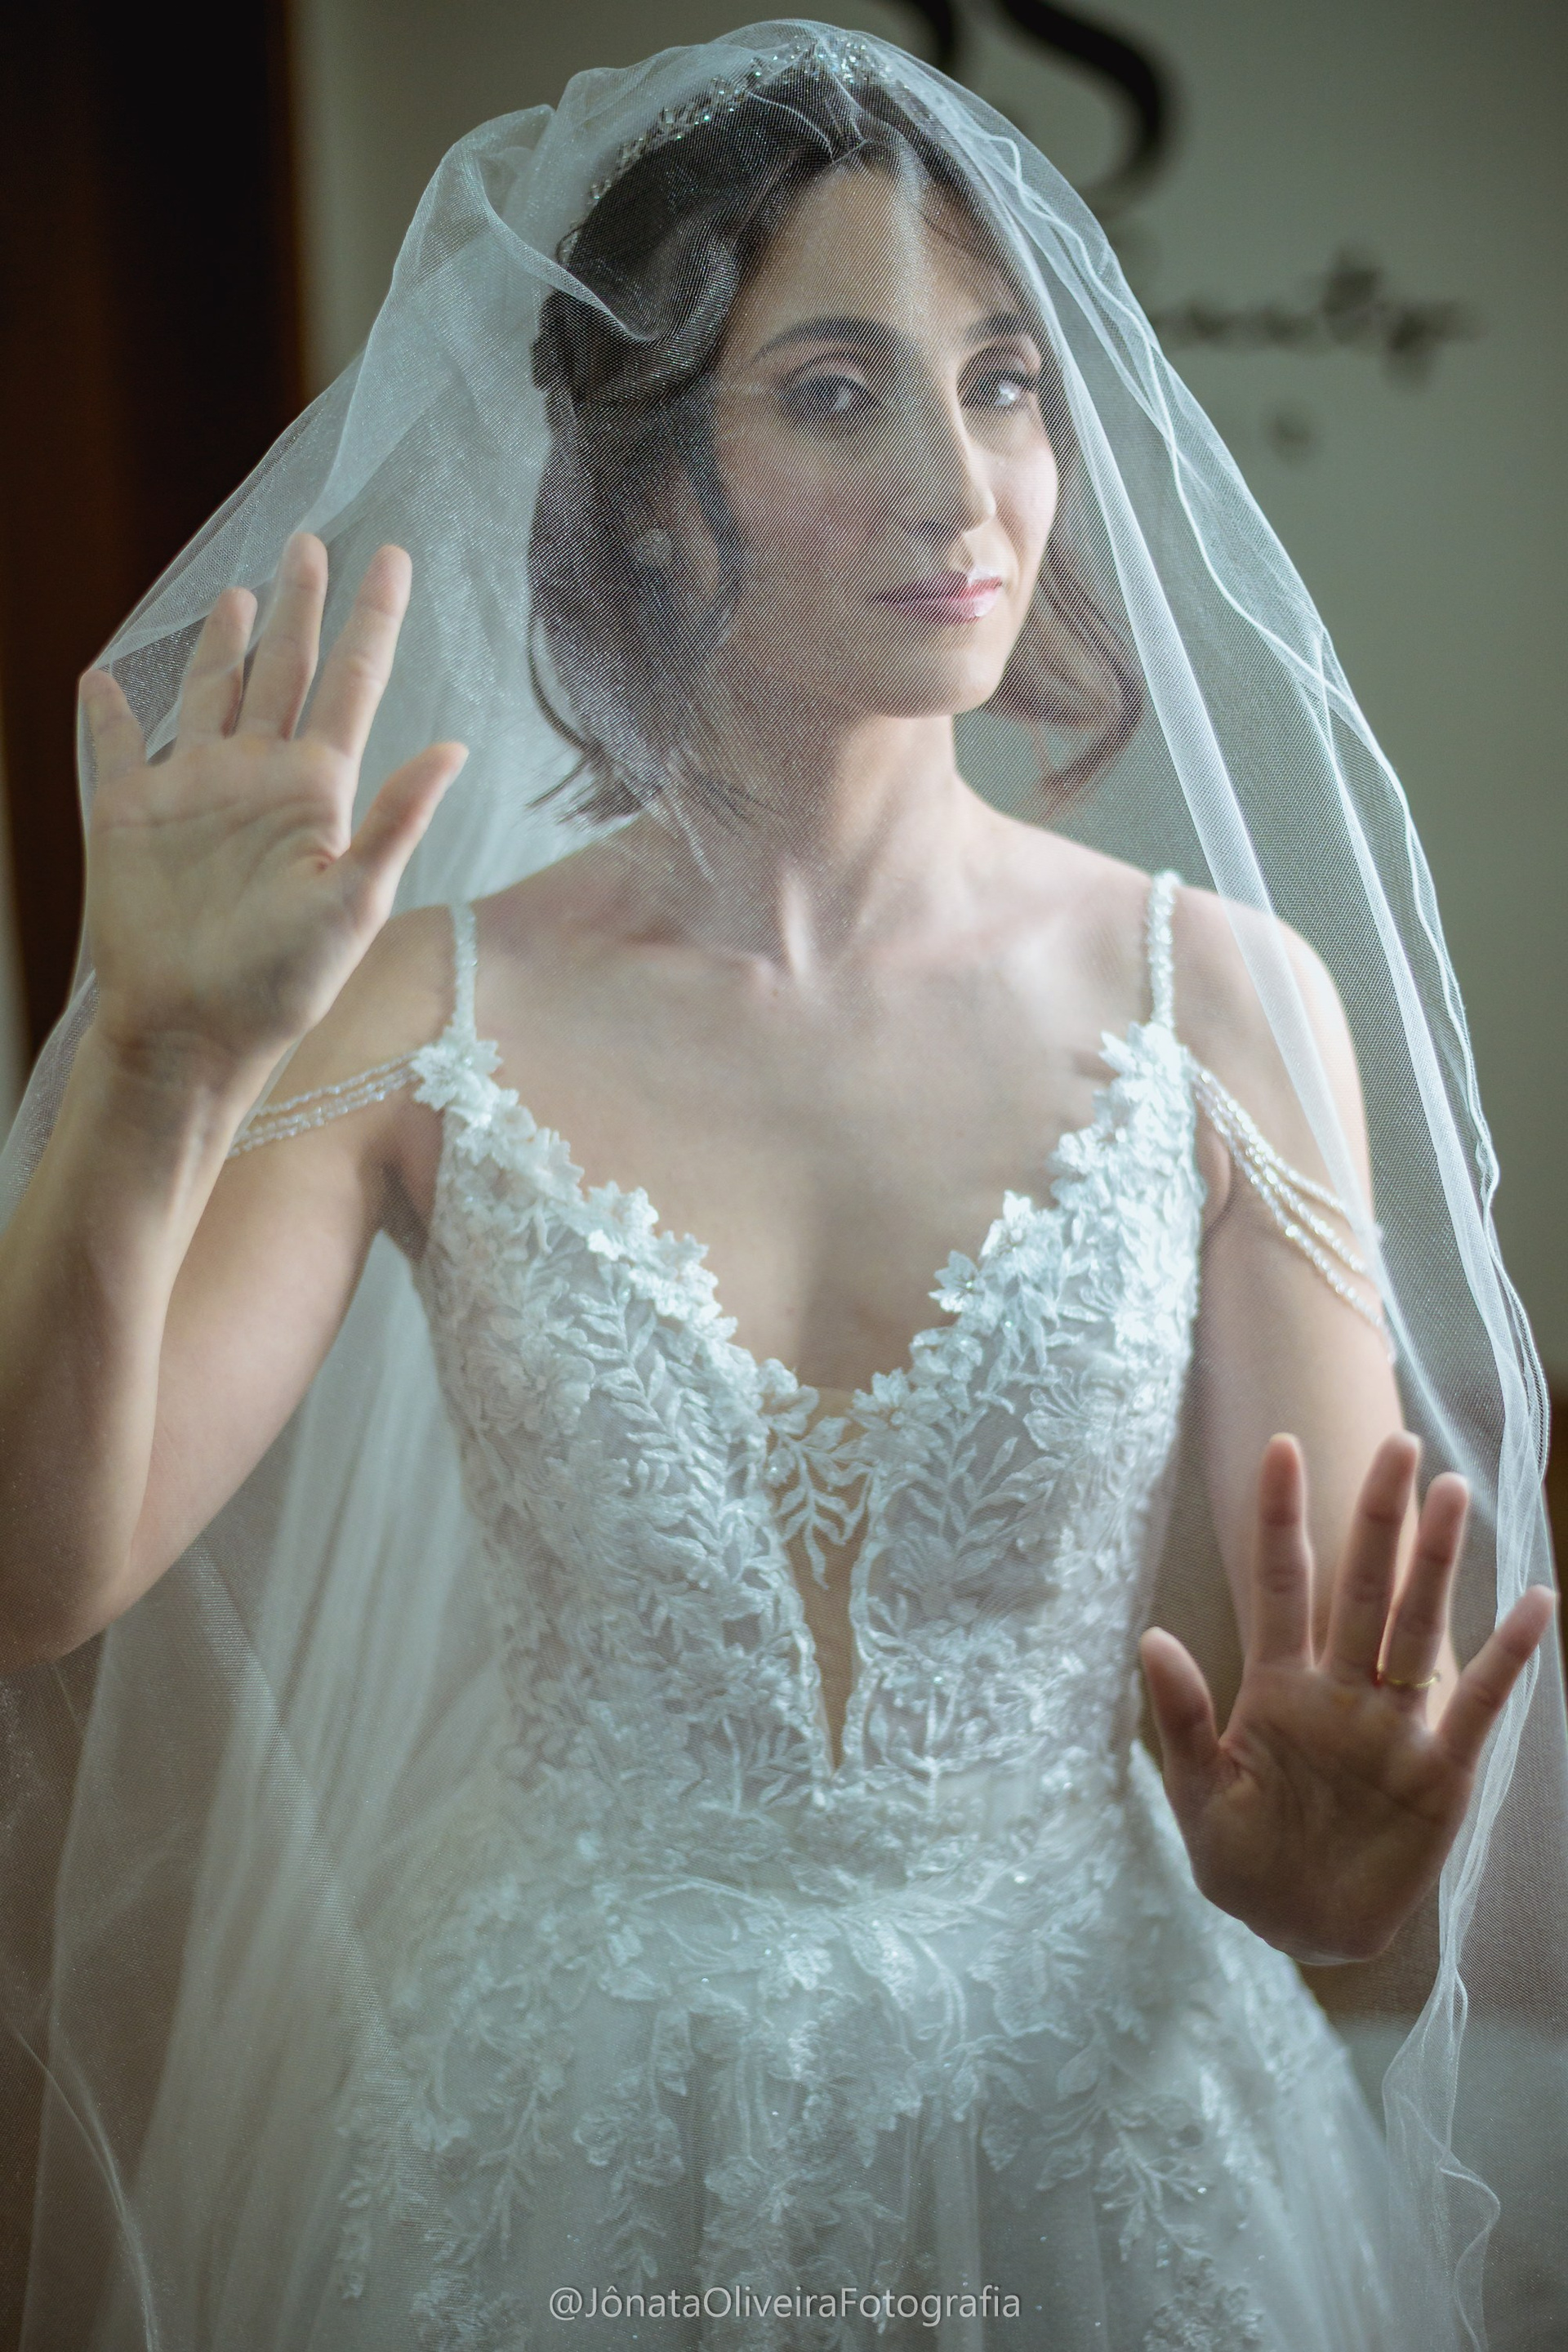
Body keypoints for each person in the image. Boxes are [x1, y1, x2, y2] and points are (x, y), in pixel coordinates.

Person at [0, 22, 1562, 2350]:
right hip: (563, 2132)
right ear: (649, 484)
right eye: (839, 393)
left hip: (1107, 2139)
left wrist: (1335, 1888)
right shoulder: (418, 1005)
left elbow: (1339, 1795)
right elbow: (37, 1578)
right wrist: (150, 1067)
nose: (965, 482)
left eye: (1006, 382)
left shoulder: (1223, 1004)